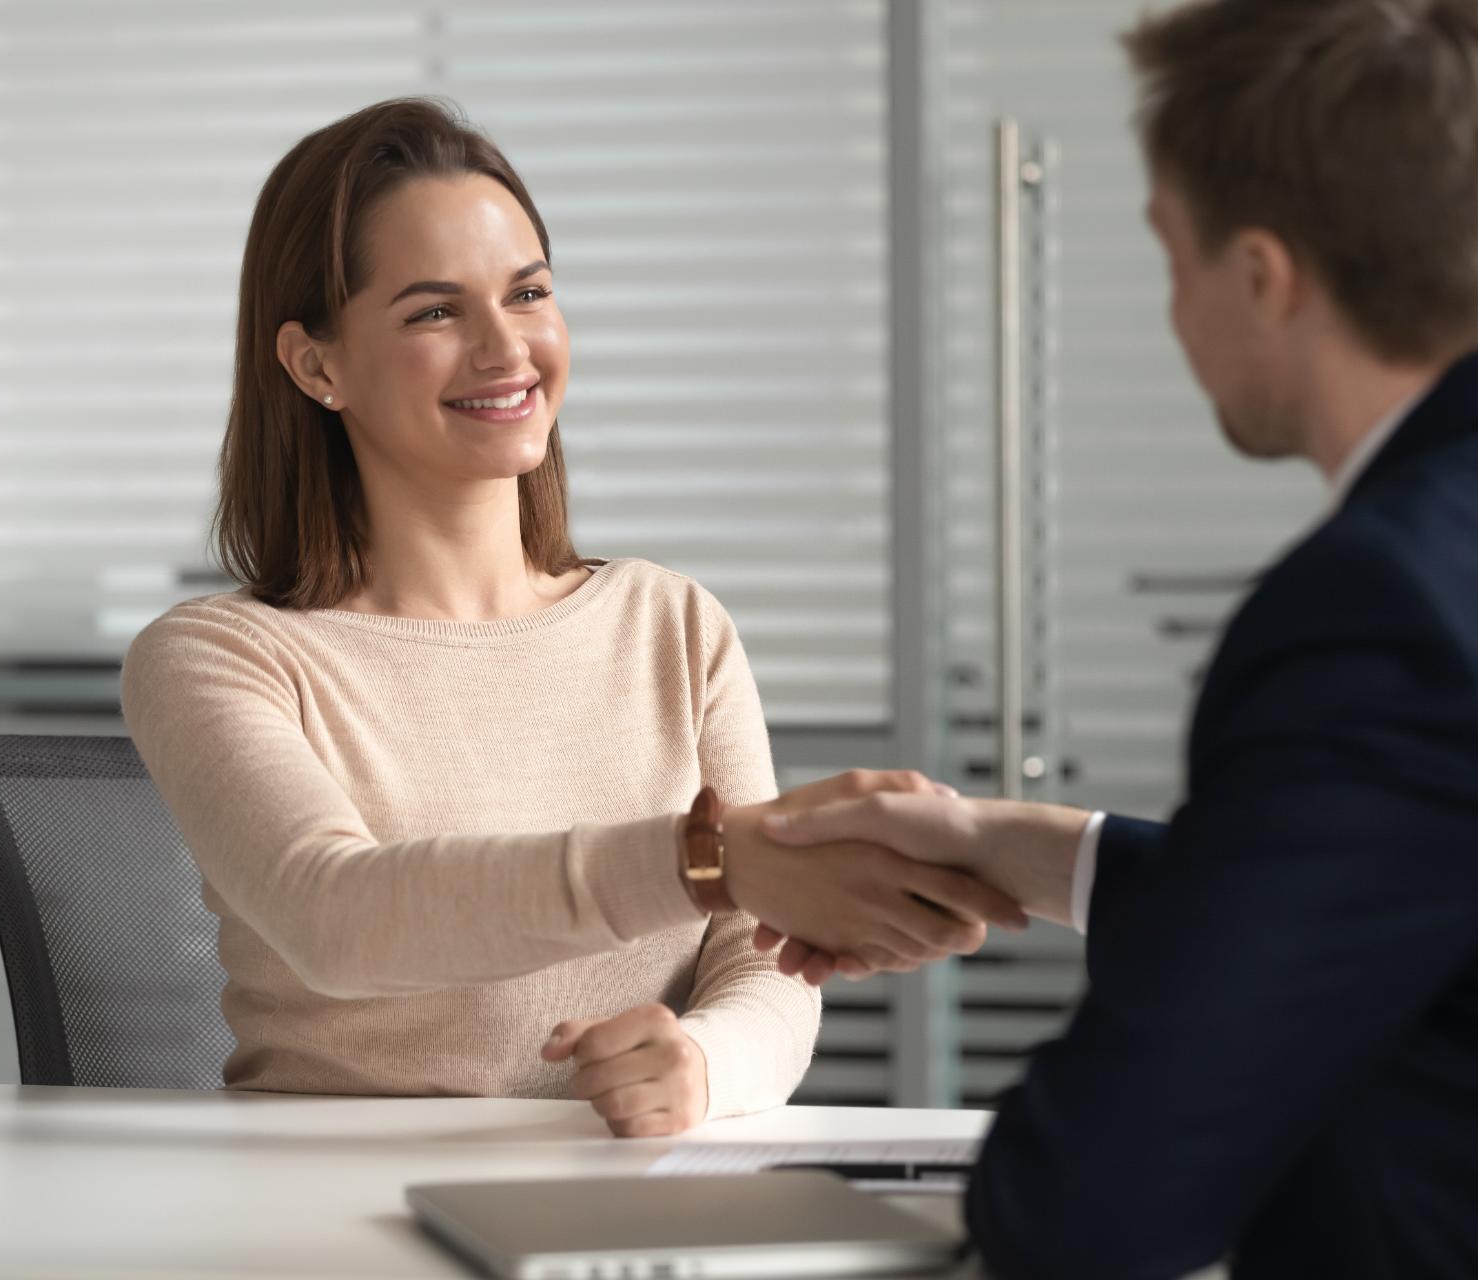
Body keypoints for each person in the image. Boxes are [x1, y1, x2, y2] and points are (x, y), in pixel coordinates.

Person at [753, 0, 1478, 1274]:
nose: (1174, 308)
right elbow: (1465, 892)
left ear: (1261, 275)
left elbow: (1089, 1206)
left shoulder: (1389, 606)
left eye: (1170, 253)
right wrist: (1018, 849)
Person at [120, 98, 1022, 1137]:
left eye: (530, 292)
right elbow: (337, 913)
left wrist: (702, 1061)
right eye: (433, 311)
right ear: (316, 364)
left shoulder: (672, 626)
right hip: (324, 1207)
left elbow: (760, 960)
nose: (508, 348)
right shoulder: (218, 658)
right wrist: (705, 858)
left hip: (617, 1198)